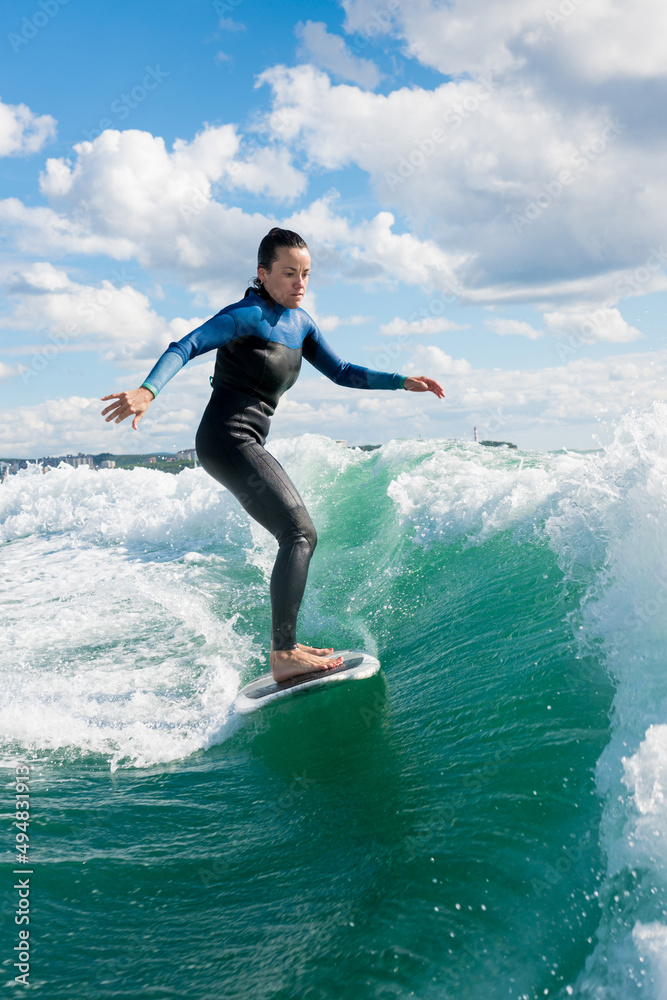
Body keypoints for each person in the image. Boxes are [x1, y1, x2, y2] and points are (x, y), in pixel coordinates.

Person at [101, 228, 444, 682]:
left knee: (299, 534)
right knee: (299, 533)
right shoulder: (245, 315)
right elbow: (184, 345)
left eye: (305, 274)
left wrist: (401, 380)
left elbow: (341, 372)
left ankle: (287, 645)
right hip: (226, 438)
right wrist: (148, 390)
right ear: (263, 274)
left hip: (246, 441)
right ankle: (282, 653)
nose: (299, 283)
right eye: (288, 273)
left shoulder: (301, 324)